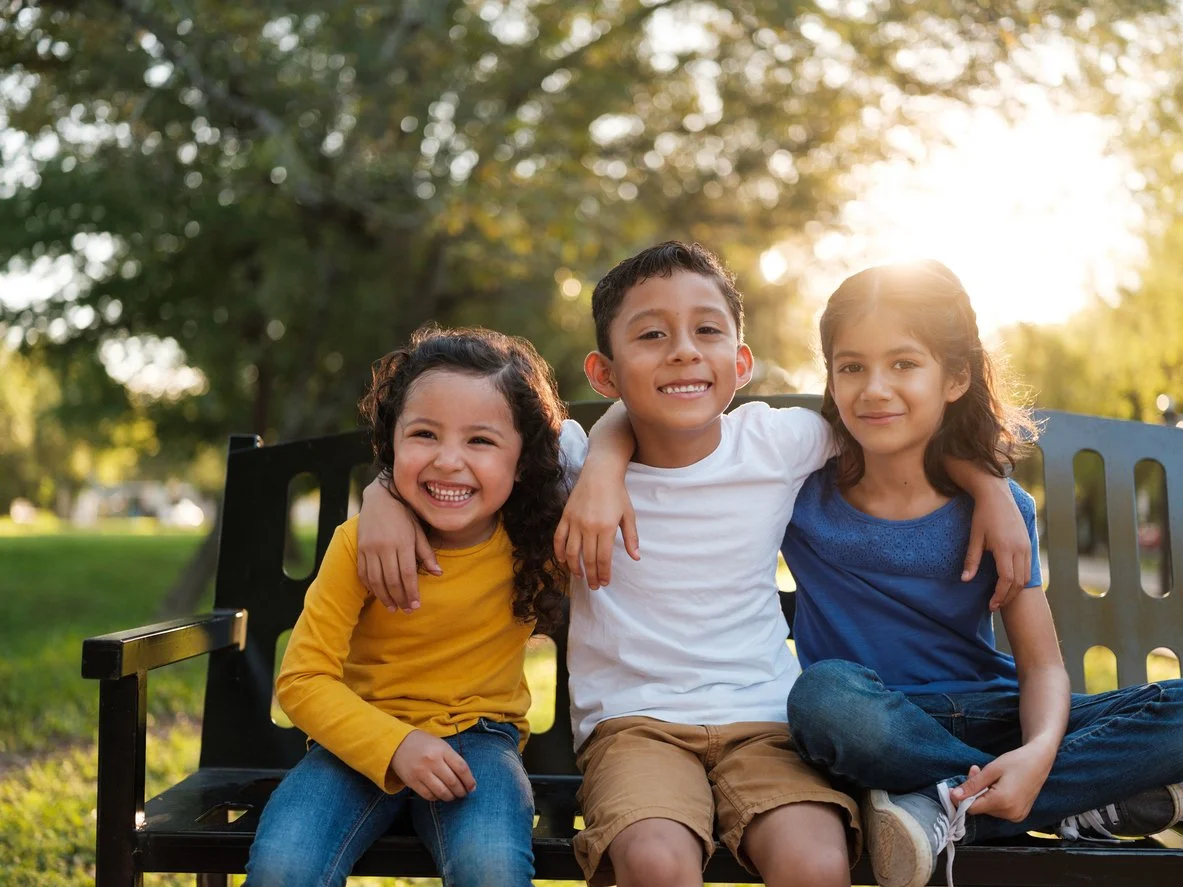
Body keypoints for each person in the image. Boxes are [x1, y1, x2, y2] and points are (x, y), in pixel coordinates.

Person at [358, 242, 1029, 887]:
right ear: (604, 374)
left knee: (816, 863)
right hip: (633, 724)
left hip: (764, 721)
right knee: (655, 864)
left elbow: (894, 426)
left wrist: (989, 485)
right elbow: (461, 453)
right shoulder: (564, 457)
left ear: (739, 363)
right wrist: (382, 492)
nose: (682, 350)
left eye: (705, 329)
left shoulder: (777, 440)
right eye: (651, 335)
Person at [780, 260, 1183, 887]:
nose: (875, 388)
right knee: (821, 697)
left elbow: (1043, 667)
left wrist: (1037, 754)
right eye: (851, 366)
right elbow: (678, 436)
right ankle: (1060, 798)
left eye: (904, 364)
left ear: (956, 377)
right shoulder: (797, 492)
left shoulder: (1001, 511)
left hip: (993, 712)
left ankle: (941, 807)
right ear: (830, 378)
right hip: (874, 727)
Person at [244, 325, 568, 887]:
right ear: (392, 443)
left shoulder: (536, 542)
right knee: (282, 867)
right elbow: (301, 680)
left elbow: (627, 433)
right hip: (355, 740)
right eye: (424, 434)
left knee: (490, 867)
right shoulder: (358, 543)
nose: (448, 461)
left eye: (481, 441)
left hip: (480, 742)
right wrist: (396, 745)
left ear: (522, 461)